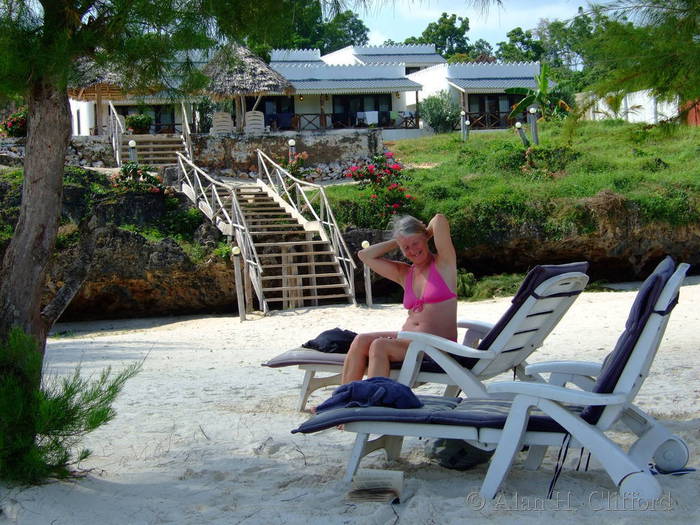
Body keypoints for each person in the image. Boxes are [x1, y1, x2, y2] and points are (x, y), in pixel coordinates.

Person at [341, 214, 457, 384]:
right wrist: (399, 240)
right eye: (406, 248)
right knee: (361, 340)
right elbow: (365, 255)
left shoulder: (444, 264)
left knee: (379, 345)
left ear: (425, 238)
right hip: (409, 342)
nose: (412, 250)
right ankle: (342, 397)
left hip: (437, 347)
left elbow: (439, 220)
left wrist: (424, 232)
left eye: (415, 243)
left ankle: (374, 400)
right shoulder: (405, 273)